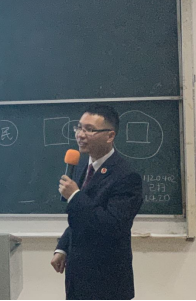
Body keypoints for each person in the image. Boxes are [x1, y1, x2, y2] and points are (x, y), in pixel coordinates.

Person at [51, 105, 144, 300]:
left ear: (110, 136)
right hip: (77, 279)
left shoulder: (126, 176)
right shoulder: (82, 167)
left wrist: (75, 196)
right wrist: (63, 247)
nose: (80, 135)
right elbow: (81, 219)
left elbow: (111, 224)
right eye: (79, 127)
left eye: (89, 129)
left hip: (107, 282)